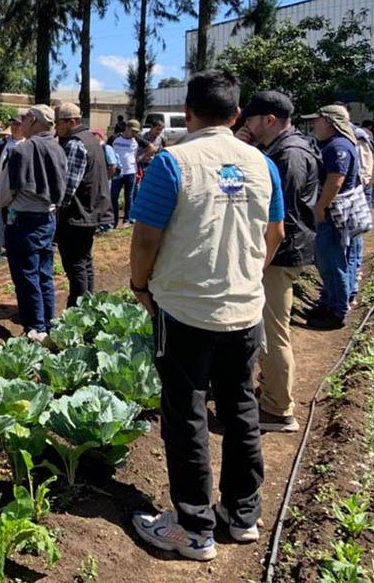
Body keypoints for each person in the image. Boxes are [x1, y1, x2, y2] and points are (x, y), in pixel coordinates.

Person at [129, 70, 285, 561]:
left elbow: (146, 239)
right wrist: (247, 275)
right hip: (245, 310)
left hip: (185, 310)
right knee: (240, 409)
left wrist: (140, 285)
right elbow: (276, 234)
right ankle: (242, 514)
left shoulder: (172, 162)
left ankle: (194, 527)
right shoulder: (262, 164)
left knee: (186, 415)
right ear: (237, 115)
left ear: (188, 112)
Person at [236, 91, 320, 434]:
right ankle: (270, 390)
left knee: (272, 333)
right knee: (271, 328)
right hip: (286, 251)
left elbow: (278, 214)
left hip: (280, 254)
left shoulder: (288, 155)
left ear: (269, 120)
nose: (246, 125)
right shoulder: (287, 148)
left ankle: (277, 409)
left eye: (250, 119)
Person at [0, 105, 66, 341]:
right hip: (48, 219)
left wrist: (2, 204)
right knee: (44, 274)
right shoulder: (58, 149)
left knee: (26, 277)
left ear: (34, 121)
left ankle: (35, 330)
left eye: (25, 118)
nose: (22, 122)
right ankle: (50, 324)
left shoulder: (21, 150)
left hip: (23, 221)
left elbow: (4, 193)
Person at [302, 105, 372, 331]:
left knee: (331, 261)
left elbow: (335, 181)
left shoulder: (337, 146)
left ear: (330, 122)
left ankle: (336, 311)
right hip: (338, 213)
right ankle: (331, 301)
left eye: (317, 120)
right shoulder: (335, 144)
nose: (313, 124)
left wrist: (320, 207)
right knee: (340, 259)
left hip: (332, 214)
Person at [55, 103, 113, 307]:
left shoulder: (75, 144)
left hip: (78, 214)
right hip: (91, 212)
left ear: (71, 122)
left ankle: (77, 309)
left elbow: (68, 186)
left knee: (76, 265)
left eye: (58, 123)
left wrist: (57, 209)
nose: (56, 128)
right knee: (85, 262)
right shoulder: (91, 139)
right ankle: (88, 306)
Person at [0, 115, 24, 266]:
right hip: (0, 189)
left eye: (18, 125)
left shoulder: (27, 145)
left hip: (16, 194)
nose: (15, 127)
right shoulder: (2, 144)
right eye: (13, 124)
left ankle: (12, 251)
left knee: (13, 224)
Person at [111, 120, 141, 225]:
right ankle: (114, 219)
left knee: (129, 197)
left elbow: (151, 148)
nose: (134, 133)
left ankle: (127, 219)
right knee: (114, 196)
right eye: (133, 131)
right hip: (117, 172)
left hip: (131, 172)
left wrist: (140, 158)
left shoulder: (136, 139)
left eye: (136, 132)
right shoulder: (114, 138)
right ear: (127, 128)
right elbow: (106, 149)